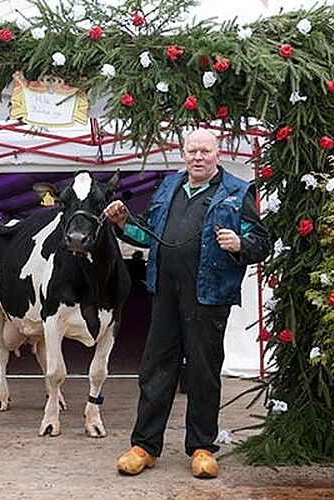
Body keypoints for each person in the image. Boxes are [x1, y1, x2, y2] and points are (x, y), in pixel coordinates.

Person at [104, 129, 270, 478]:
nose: (198, 157)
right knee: (155, 371)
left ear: (217, 154)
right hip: (165, 295)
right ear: (183, 153)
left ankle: (202, 448)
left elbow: (260, 242)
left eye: (205, 151)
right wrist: (123, 223)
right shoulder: (168, 188)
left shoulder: (237, 193)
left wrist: (240, 243)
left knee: (203, 374)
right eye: (192, 150)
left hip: (208, 298)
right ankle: (145, 447)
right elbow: (147, 233)